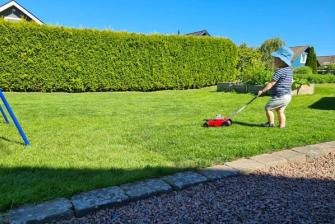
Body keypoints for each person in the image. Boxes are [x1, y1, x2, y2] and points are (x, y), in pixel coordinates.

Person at [257, 46, 294, 128]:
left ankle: (271, 123)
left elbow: (271, 84)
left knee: (268, 108)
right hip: (288, 96)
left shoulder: (279, 71)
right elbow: (289, 81)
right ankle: (282, 125)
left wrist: (262, 91)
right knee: (280, 110)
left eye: (275, 59)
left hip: (280, 96)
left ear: (281, 60)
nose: (274, 61)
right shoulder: (289, 70)